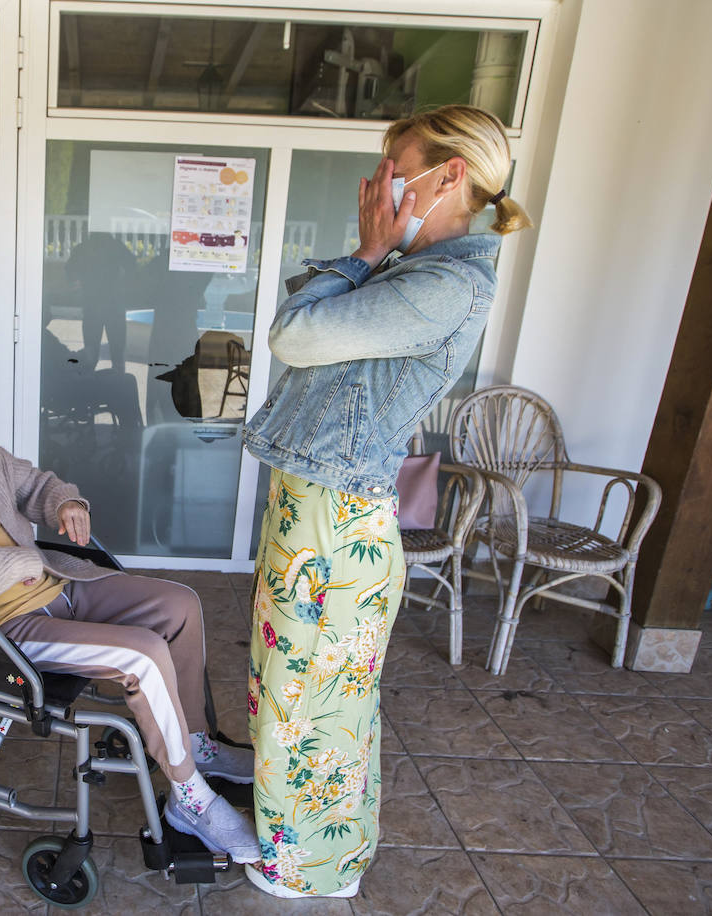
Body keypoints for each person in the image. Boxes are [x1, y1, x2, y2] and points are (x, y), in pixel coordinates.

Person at [241, 105, 532, 898]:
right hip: (319, 506)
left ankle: (311, 869)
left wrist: (366, 250)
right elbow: (316, 332)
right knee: (301, 694)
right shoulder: (416, 273)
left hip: (335, 521)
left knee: (314, 708)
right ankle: (309, 848)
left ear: (452, 176)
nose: (382, 184)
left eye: (398, 168)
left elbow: (294, 336)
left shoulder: (444, 284)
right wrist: (374, 257)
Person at [0, 351, 258, 862]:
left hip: (59, 587)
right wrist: (12, 565)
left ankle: (192, 740)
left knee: (180, 604)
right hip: (5, 625)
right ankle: (189, 797)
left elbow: (36, 484)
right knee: (141, 655)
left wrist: (66, 504)